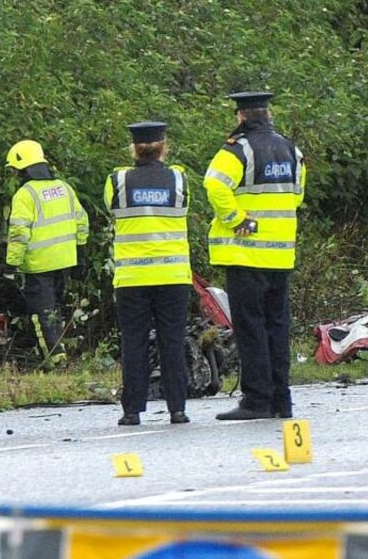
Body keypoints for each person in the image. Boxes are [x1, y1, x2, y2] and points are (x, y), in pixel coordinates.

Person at [203, 91, 306, 420]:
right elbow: (297, 194)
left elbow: (214, 184)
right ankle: (281, 400)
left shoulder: (238, 149)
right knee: (277, 327)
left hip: (246, 254)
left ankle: (256, 400)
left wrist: (237, 220)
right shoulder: (291, 149)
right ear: (268, 113)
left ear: (241, 117)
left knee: (251, 329)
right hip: (280, 255)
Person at [105, 121, 192, 426]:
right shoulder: (179, 179)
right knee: (172, 341)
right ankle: (177, 409)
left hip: (133, 279)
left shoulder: (118, 180)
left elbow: (110, 208)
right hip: (173, 277)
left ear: (134, 148)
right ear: (163, 146)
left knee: (134, 343)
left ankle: (132, 411)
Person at [5, 140, 89, 366]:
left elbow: (19, 233)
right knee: (56, 312)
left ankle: (56, 363)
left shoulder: (25, 194)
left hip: (39, 265)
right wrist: (80, 253)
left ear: (21, 168)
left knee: (41, 316)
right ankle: (61, 357)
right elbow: (82, 221)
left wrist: (11, 265)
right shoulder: (64, 188)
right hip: (65, 261)